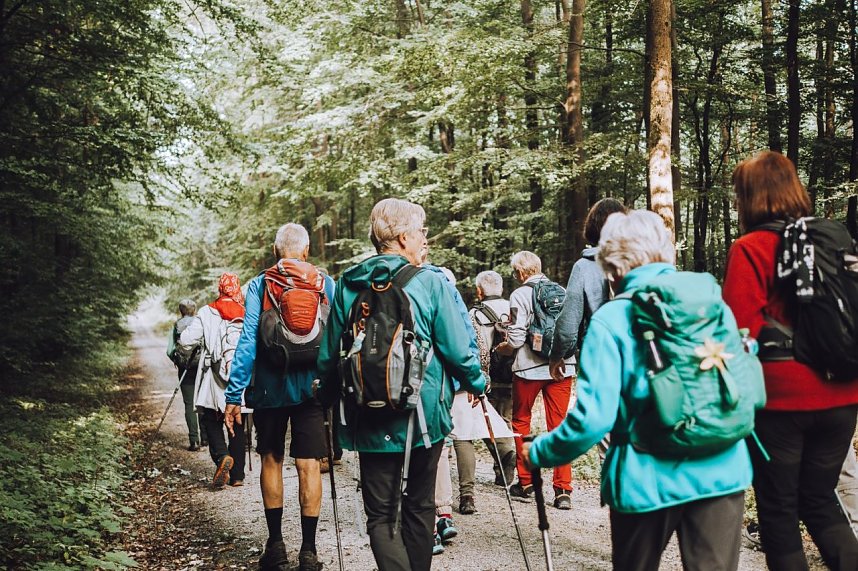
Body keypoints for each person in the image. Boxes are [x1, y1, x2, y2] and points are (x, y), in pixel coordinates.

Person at [524, 209, 753, 570]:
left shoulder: (611, 320)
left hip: (646, 478)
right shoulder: (711, 302)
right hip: (722, 468)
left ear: (612, 266)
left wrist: (540, 452)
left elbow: (591, 421)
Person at [316, 197, 486, 571]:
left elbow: (329, 357)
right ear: (404, 236)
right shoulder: (431, 283)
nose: (425, 238)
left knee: (379, 514)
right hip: (424, 412)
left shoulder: (348, 284)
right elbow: (457, 349)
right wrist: (478, 382)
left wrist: (326, 397)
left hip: (367, 410)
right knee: (420, 504)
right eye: (422, 231)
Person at [723, 150, 858, 570]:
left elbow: (735, 332)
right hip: (843, 393)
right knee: (819, 500)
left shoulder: (751, 247)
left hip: (782, 401)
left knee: (779, 510)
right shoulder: (835, 239)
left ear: (750, 197)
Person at [224, 223, 335, 571]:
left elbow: (247, 344)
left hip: (270, 388)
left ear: (276, 252)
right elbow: (337, 339)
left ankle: (275, 547)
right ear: (305, 252)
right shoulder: (324, 283)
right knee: (309, 465)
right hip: (312, 390)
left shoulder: (260, 284)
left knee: (271, 459)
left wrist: (233, 394)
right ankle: (309, 551)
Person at [499, 251, 574, 510]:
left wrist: (504, 347)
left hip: (529, 369)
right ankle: (563, 489)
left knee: (521, 421)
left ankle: (527, 481)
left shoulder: (520, 295)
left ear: (520, 272)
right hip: (563, 367)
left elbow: (517, 340)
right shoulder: (561, 291)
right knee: (560, 426)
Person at [179, 273, 247, 488]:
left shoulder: (207, 311)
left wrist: (199, 345)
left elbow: (186, 339)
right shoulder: (246, 311)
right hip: (240, 376)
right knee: (238, 421)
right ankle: (237, 476)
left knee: (211, 419)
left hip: (214, 375)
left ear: (220, 288)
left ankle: (221, 457)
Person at [549, 198, 626, 380]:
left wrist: (556, 355)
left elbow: (568, 324)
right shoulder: (641, 259)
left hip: (599, 353)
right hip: (637, 352)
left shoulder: (583, 267)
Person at [459, 270, 517, 511]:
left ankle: (504, 456)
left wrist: (480, 379)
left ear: (479, 291)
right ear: (501, 288)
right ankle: (504, 467)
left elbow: (476, 347)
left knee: (482, 421)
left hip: (488, 376)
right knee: (505, 418)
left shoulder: (474, 313)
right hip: (514, 374)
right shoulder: (514, 306)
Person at [171, 298, 205, 451]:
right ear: (194, 310)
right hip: (202, 368)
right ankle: (206, 438)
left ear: (181, 311)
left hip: (185, 369)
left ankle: (194, 440)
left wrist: (177, 360)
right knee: (203, 402)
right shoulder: (201, 322)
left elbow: (169, 350)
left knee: (190, 404)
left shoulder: (177, 325)